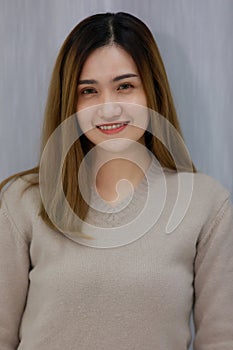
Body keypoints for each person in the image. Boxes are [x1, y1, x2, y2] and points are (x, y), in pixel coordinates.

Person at [0, 12, 232, 350]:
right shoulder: (23, 202)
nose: (108, 109)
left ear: (151, 91)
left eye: (125, 86)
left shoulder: (207, 205)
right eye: (88, 91)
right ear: (70, 102)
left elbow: (222, 341)